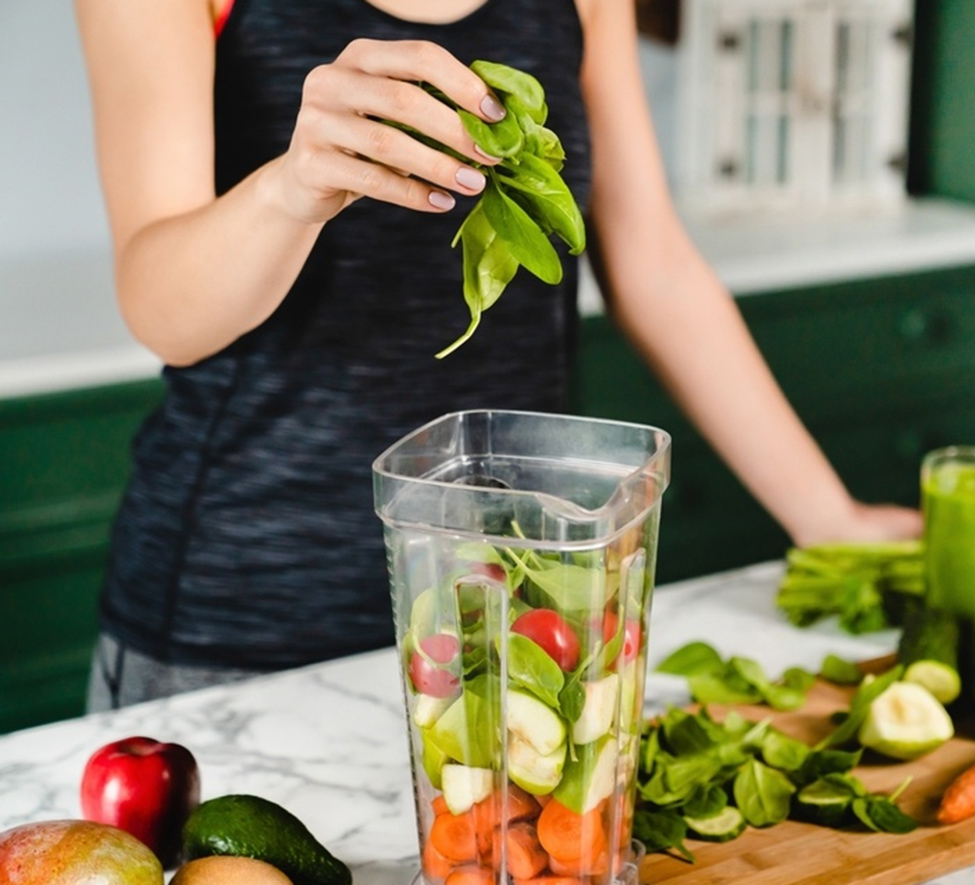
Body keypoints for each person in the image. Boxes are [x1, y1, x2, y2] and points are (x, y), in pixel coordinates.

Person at [74, 0, 922, 710]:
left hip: (511, 612)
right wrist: (291, 189)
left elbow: (652, 260)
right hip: (242, 627)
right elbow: (161, 306)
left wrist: (827, 517)